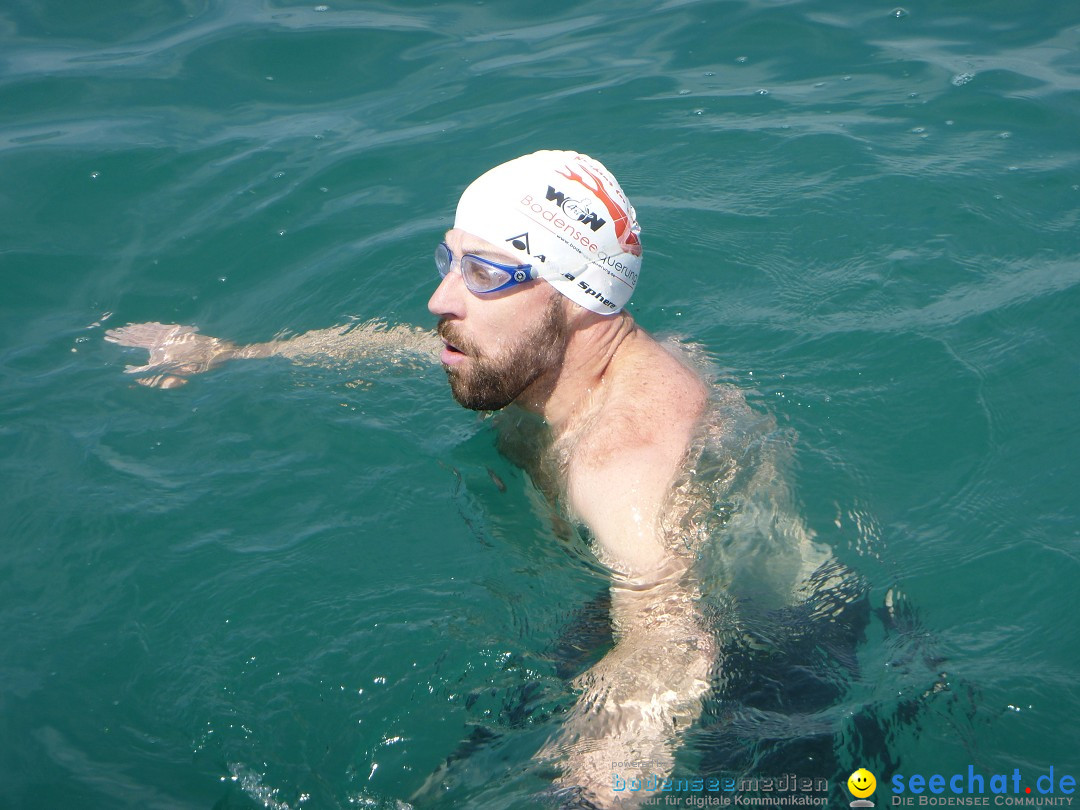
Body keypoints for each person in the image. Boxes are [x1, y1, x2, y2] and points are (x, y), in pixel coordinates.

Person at [106, 151, 725, 807]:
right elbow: (403, 349)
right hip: (596, 622)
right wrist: (234, 356)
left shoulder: (623, 461)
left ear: (575, 297)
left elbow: (674, 647)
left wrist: (598, 789)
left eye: (483, 273)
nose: (440, 298)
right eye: (449, 260)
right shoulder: (551, 369)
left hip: (750, 687)